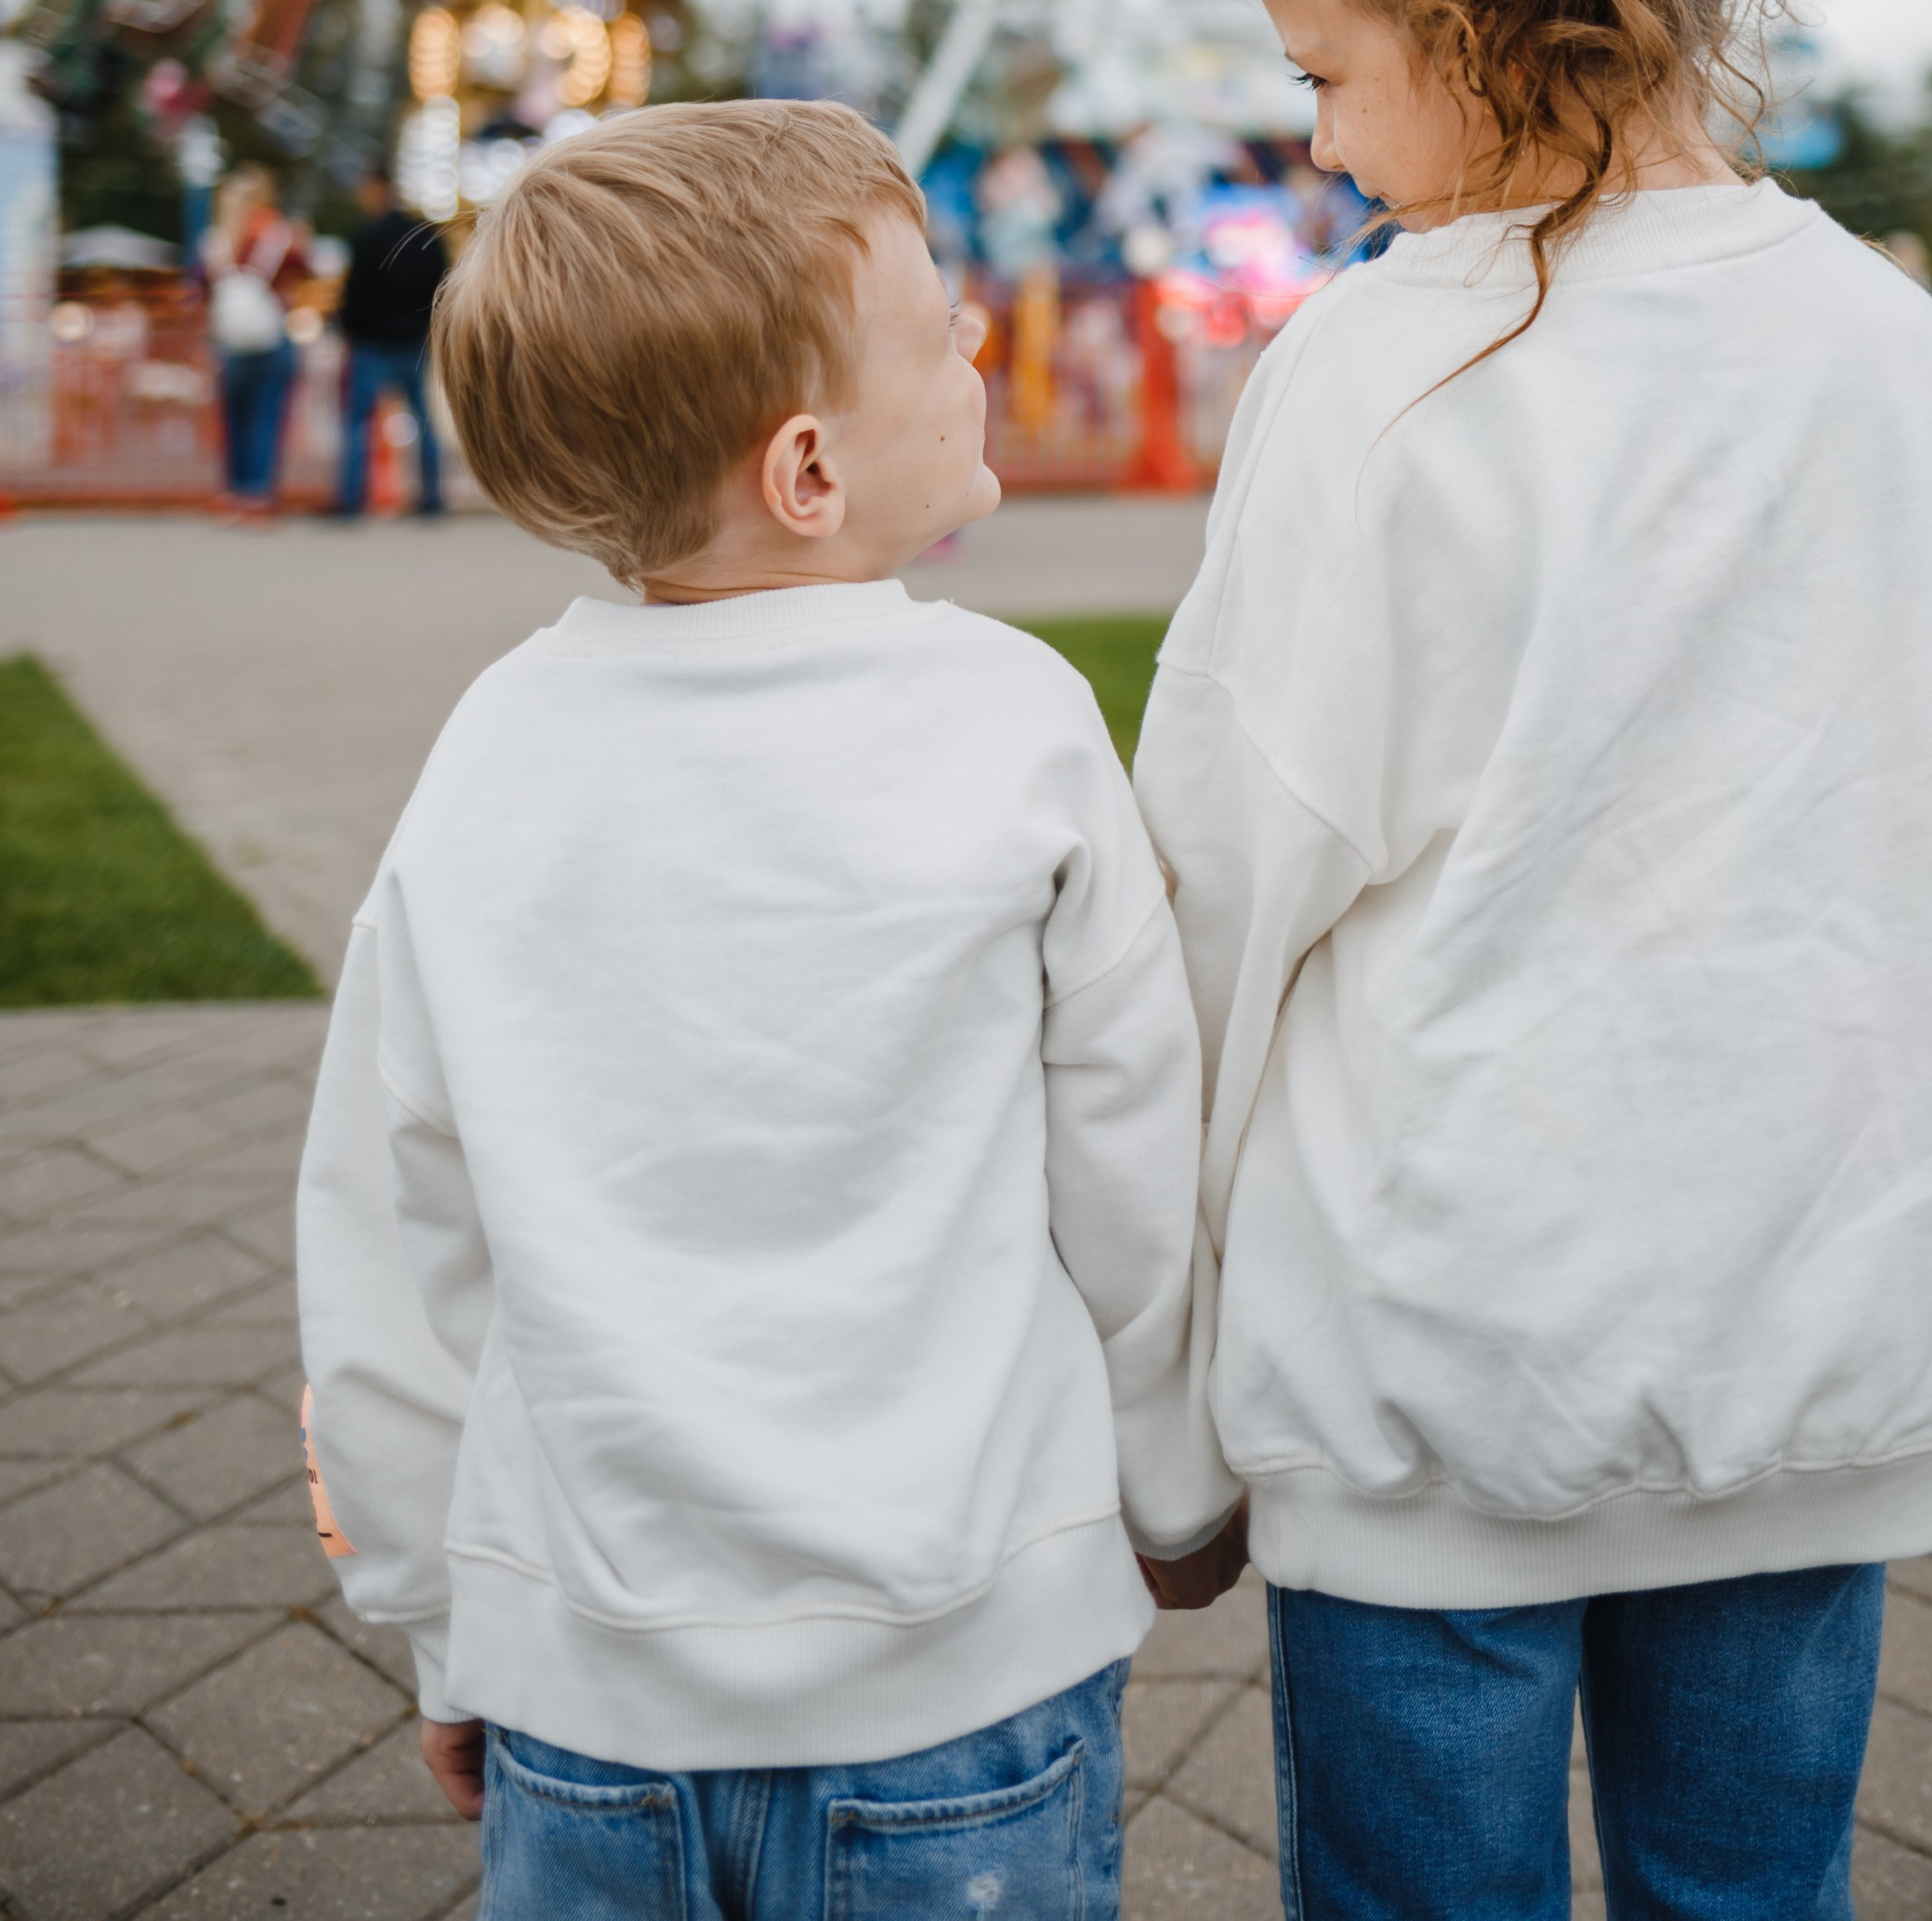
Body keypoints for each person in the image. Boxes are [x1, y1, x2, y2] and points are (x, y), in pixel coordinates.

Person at [1133, 0, 1932, 1921]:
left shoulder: (1378, 372)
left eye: (1325, 75)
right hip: (1805, 1345)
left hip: (1434, 1359)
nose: (1323, 143)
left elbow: (1221, 893)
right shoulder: (1886, 344)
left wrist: (1154, 1396)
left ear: (1472, 28)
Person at [296, 100, 1241, 1920]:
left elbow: (395, 1239)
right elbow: (1128, 1166)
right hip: (969, 1681)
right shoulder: (1012, 721)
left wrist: (438, 1623)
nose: (977, 350)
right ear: (808, 468)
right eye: (936, 330)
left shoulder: (488, 756)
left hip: (586, 1694)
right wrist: (1172, 1494)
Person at [331, 166, 448, 517]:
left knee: (357, 422)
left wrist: (350, 331)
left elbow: (353, 297)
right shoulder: (426, 237)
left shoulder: (364, 238)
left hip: (372, 344)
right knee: (424, 421)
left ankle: (351, 500)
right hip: (413, 340)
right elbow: (443, 287)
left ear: (375, 188)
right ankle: (431, 498)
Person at [202, 163, 311, 518]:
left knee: (234, 421)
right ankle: (258, 493)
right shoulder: (278, 235)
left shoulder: (218, 240)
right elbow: (305, 268)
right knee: (267, 418)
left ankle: (235, 491)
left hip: (231, 342)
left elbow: (199, 284)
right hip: (271, 335)